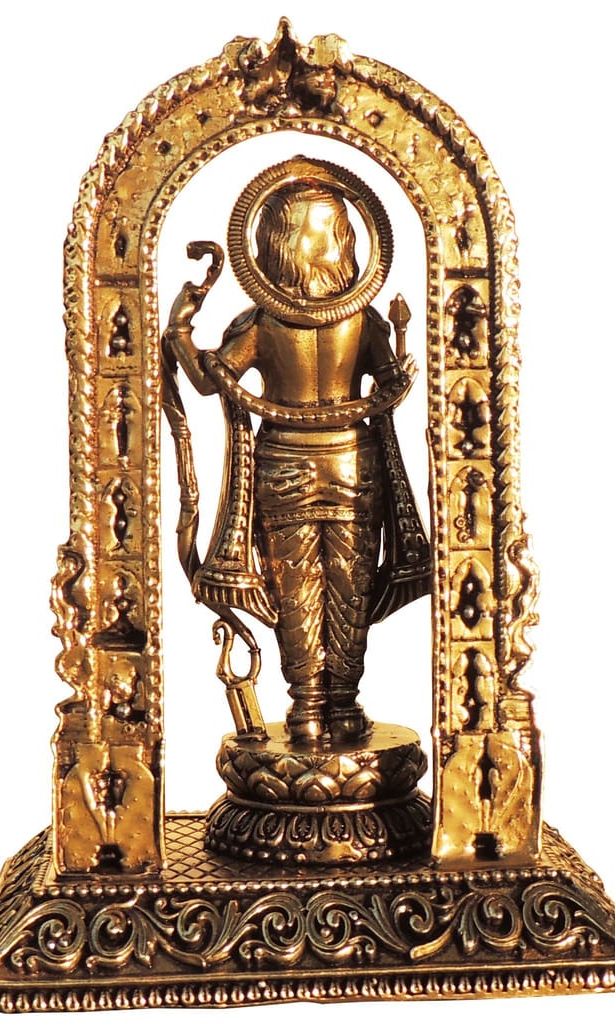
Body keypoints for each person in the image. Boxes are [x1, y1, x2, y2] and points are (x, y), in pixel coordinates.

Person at [164, 163, 428, 743]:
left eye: (335, 233)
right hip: (312, 465)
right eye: (317, 233)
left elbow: (209, 378)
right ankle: (315, 703)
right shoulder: (279, 321)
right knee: (310, 587)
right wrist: (181, 335)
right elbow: (215, 380)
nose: (327, 245)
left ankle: (334, 701)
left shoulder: (347, 320)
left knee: (333, 586)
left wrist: (181, 333)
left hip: (337, 466)